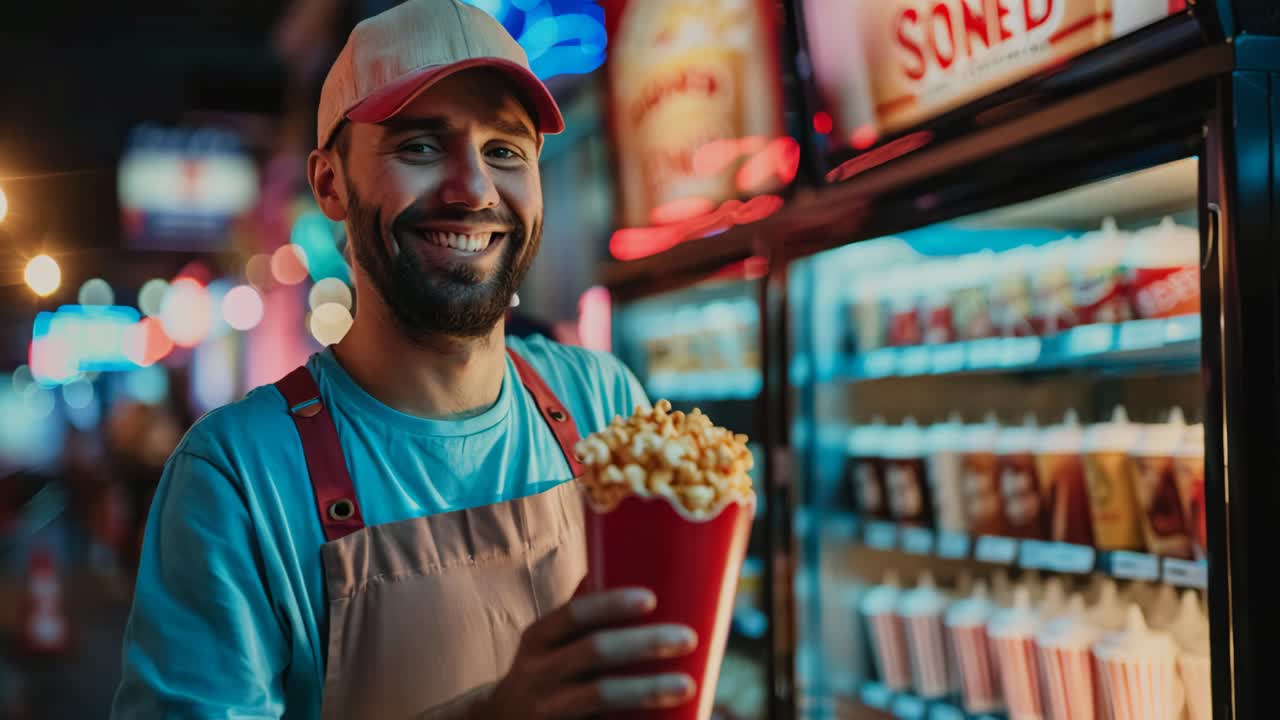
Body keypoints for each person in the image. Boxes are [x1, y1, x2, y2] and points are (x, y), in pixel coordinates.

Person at [110, 1, 700, 717]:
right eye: (420, 147)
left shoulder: (604, 403)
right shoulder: (235, 479)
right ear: (330, 183)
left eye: (506, 151)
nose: (475, 189)